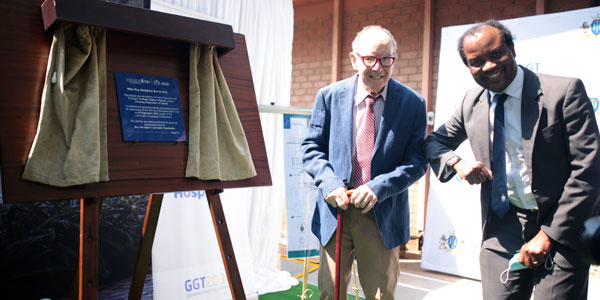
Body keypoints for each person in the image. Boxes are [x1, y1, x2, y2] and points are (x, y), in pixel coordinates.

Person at [423, 19, 600, 299]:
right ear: (468, 67)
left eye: (496, 55)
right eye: (477, 61)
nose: (489, 66)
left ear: (512, 49)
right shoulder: (472, 101)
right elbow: (435, 142)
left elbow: (588, 171)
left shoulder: (564, 93)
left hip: (563, 228)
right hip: (503, 227)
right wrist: (457, 163)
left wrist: (548, 234)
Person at [301, 25, 427, 300]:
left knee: (380, 295)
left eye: (387, 59)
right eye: (370, 58)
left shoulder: (412, 103)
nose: (379, 67)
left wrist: (379, 187)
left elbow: (417, 161)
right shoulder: (329, 96)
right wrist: (330, 183)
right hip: (336, 212)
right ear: (354, 59)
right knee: (330, 293)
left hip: (381, 214)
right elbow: (311, 148)